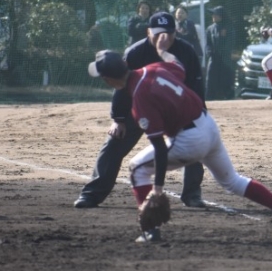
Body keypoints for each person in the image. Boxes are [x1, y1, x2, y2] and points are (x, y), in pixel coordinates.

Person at [87, 43, 272, 241]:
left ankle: (150, 231)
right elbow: (177, 66)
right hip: (208, 125)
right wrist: (162, 51)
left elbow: (160, 148)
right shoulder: (154, 68)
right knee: (232, 180)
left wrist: (158, 190)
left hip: (189, 140)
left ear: (109, 80)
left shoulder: (140, 98)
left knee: (137, 168)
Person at [75, 11, 206, 209]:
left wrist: (199, 115)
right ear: (148, 32)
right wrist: (118, 119)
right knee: (113, 144)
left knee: (193, 144)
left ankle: (192, 194)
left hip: (174, 111)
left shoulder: (186, 51)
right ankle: (92, 194)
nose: (164, 37)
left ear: (175, 33)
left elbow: (195, 85)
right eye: (159, 33)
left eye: (169, 33)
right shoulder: (135, 52)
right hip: (139, 108)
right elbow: (121, 87)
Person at [204, 6, 235, 100]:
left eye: (215, 14)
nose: (213, 16)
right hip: (213, 58)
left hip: (225, 59)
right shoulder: (210, 29)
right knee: (210, 79)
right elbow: (208, 44)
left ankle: (227, 99)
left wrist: (223, 52)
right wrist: (209, 52)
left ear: (221, 16)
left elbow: (230, 43)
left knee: (225, 79)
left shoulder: (229, 27)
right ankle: (209, 99)